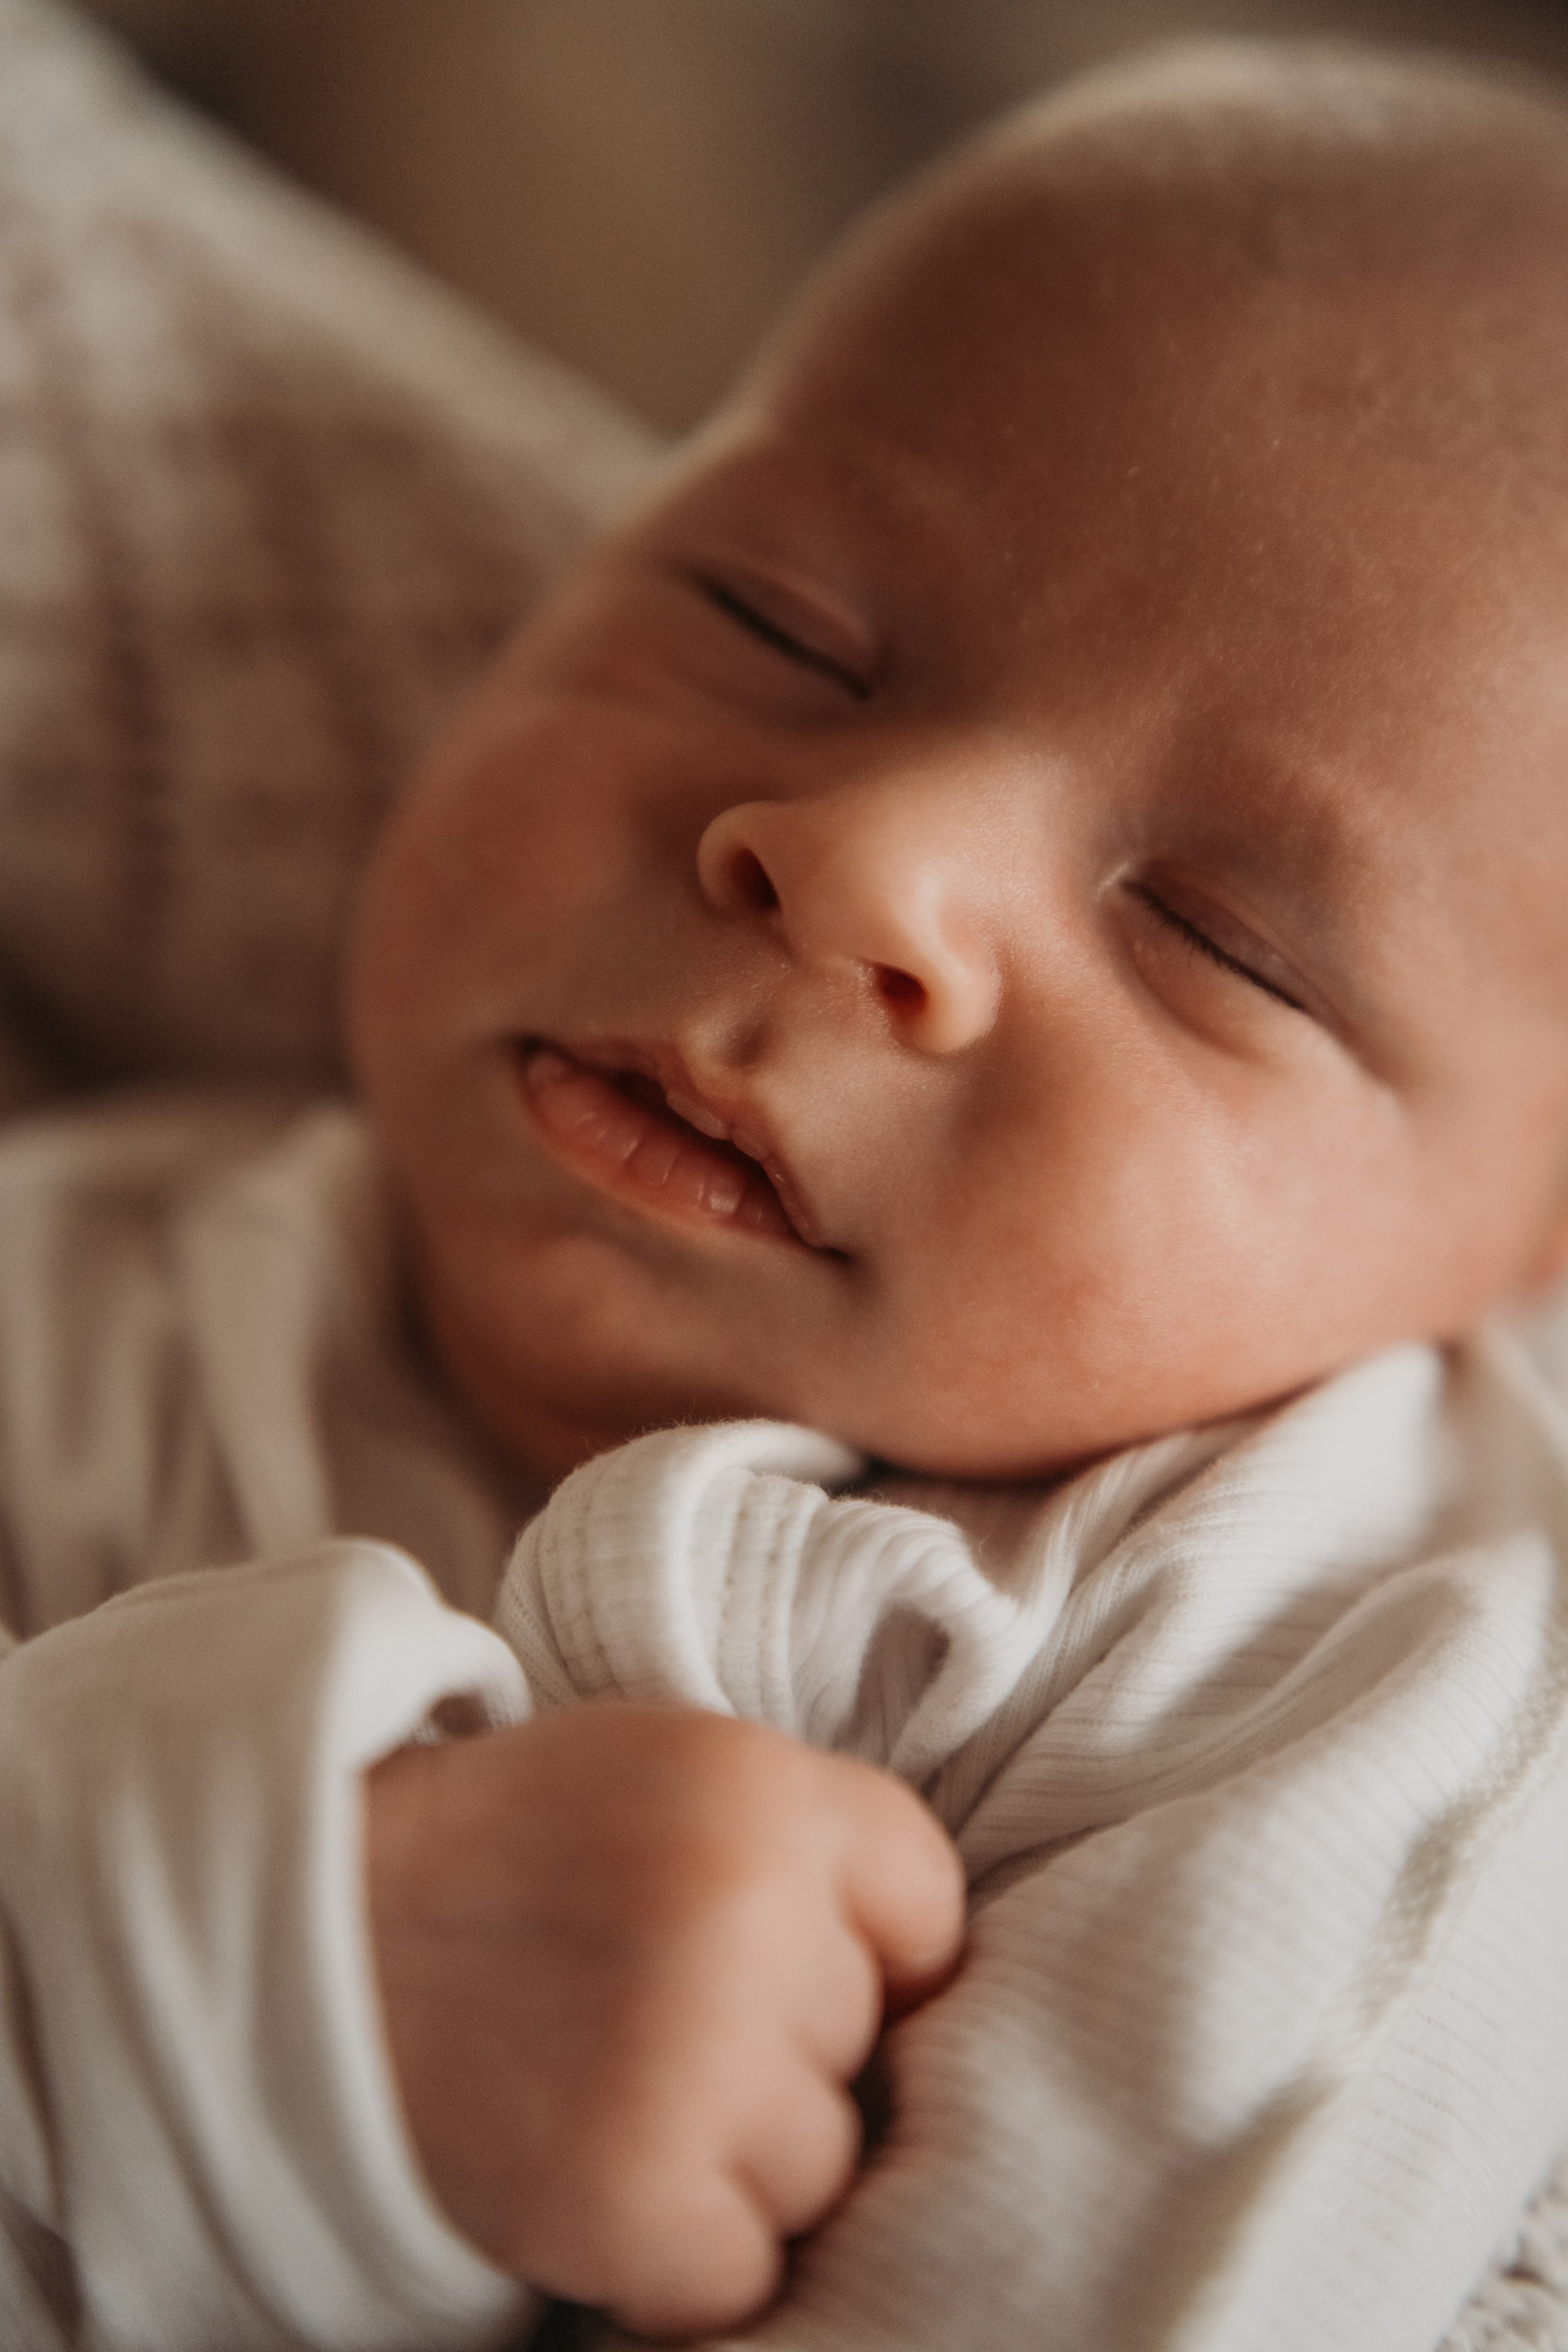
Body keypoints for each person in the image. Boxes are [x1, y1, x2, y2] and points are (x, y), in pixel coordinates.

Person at [4, 33, 1568, 2352]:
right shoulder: (76, 1281)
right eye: (774, 624)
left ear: (1521, 1252)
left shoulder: (1354, 1645)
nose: (863, 859)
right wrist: (250, 1957)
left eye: (1221, 937)